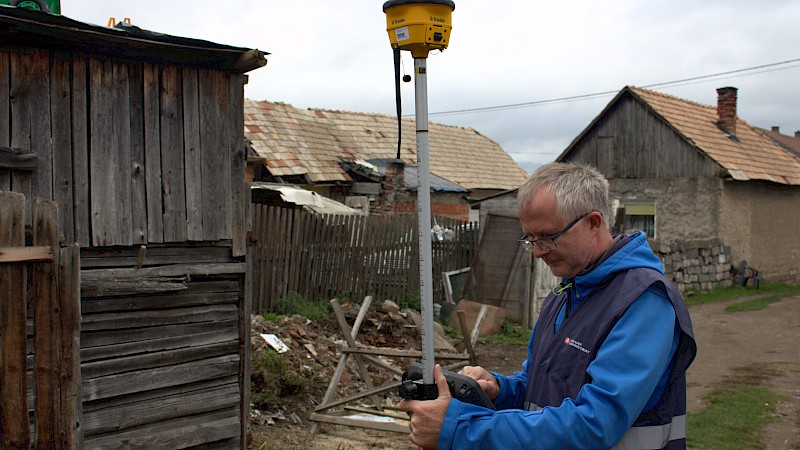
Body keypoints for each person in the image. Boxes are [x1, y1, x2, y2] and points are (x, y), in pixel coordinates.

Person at [399, 162, 697, 449]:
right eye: (531, 239)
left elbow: (595, 423)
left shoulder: (644, 301)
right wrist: (499, 389)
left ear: (594, 223)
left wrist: (459, 428)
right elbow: (539, 387)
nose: (538, 252)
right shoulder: (564, 292)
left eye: (548, 237)